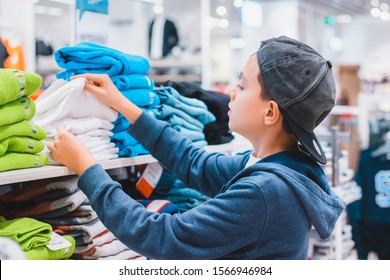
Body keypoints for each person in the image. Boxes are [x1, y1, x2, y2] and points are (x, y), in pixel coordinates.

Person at [48, 35, 346, 260]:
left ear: (270, 113)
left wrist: (87, 167)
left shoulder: (266, 190)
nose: (230, 92)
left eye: (241, 86)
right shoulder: (279, 167)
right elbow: (195, 163)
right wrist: (123, 105)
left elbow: (163, 236)